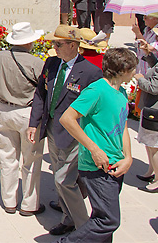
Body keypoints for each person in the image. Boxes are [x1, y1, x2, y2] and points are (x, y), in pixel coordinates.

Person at [27, 25, 103, 236]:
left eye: (58, 44)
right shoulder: (51, 64)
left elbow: (96, 107)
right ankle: (68, 218)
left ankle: (84, 228)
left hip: (75, 135)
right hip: (52, 129)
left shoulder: (91, 72)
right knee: (62, 179)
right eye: (53, 43)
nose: (54, 48)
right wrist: (34, 123)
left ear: (73, 45)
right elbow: (41, 95)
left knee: (64, 180)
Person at [59, 48, 137, 241]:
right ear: (123, 69)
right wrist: (94, 149)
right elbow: (67, 118)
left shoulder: (121, 93)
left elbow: (123, 126)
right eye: (133, 68)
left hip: (115, 164)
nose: (136, 72)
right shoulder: (96, 90)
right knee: (108, 221)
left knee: (101, 219)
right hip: (97, 165)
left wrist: (128, 157)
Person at [0, 22, 45, 216]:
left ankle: (9, 201)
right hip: (28, 113)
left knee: (7, 158)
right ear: (30, 42)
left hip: (4, 110)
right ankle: (29, 204)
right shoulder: (36, 62)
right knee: (31, 159)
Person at [133, 36, 158, 190]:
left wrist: (140, 80)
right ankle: (151, 171)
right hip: (151, 109)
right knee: (150, 145)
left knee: (154, 146)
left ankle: (157, 181)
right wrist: (148, 54)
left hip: (154, 111)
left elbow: (154, 88)